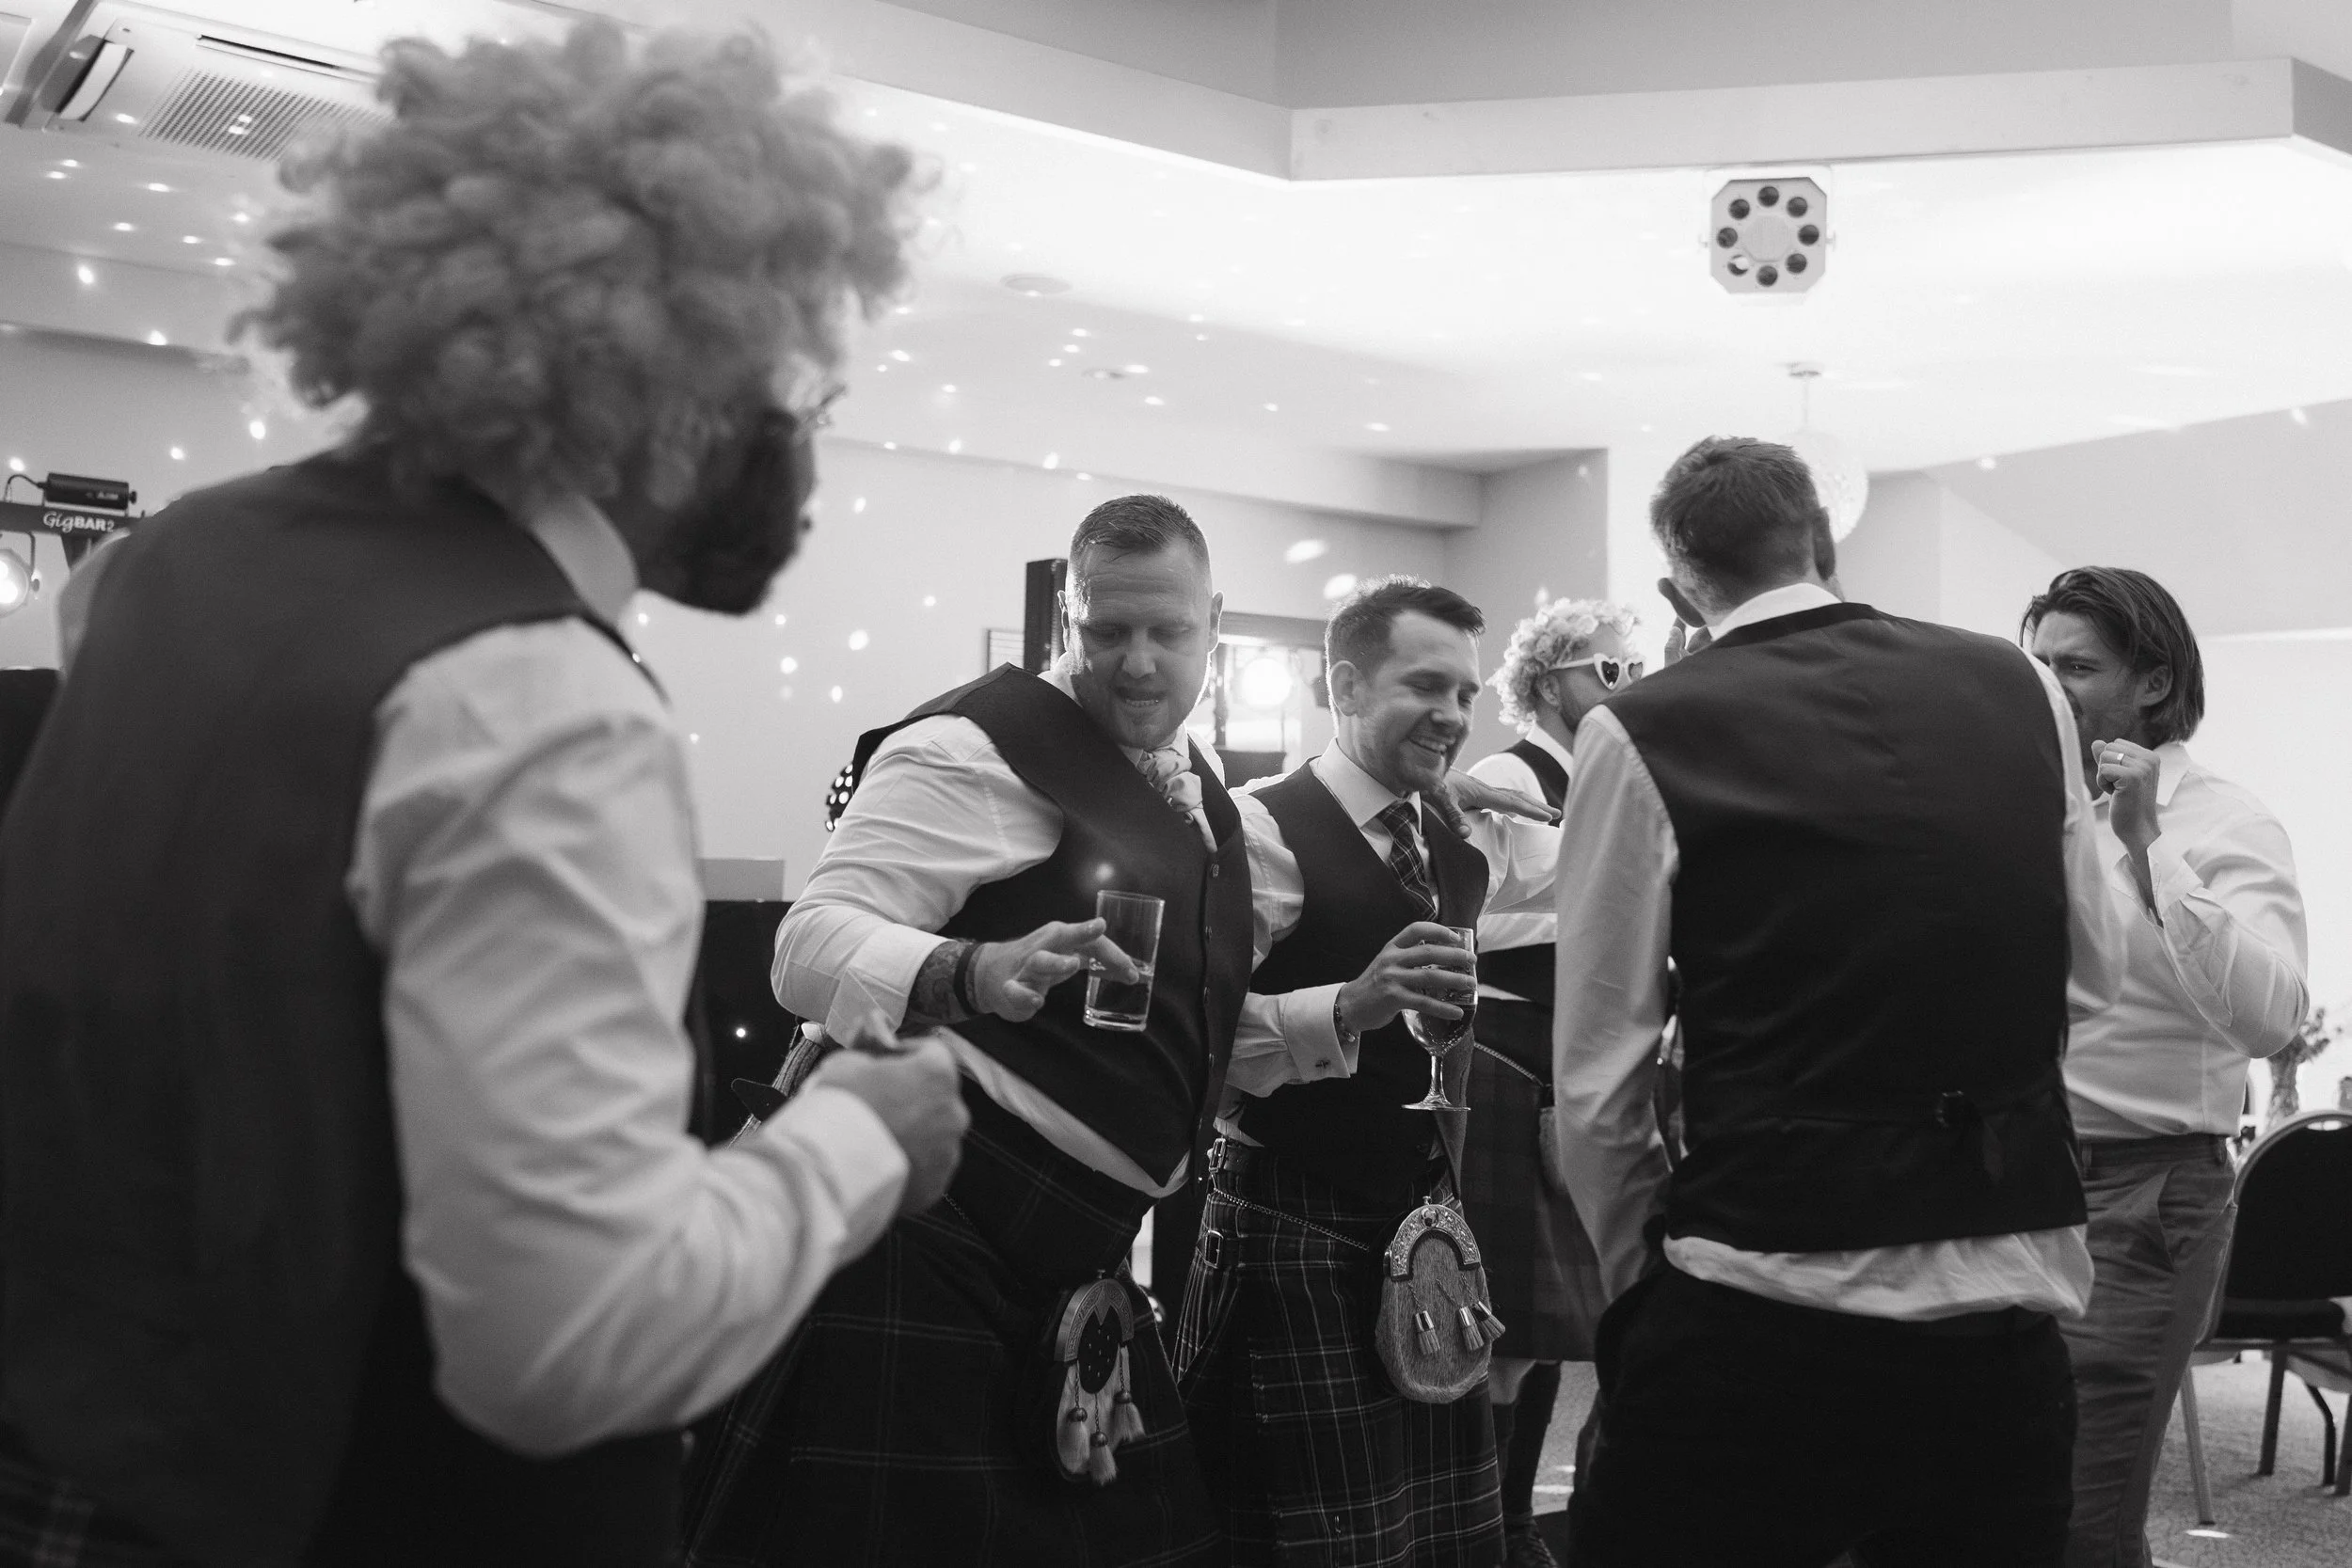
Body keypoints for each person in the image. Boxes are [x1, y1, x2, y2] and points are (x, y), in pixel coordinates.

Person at [0, 23, 965, 1568]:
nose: (802, 440)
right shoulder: (538, 701)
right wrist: (858, 1138)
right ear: (664, 377)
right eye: (787, 376)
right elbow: (568, 1345)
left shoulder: (156, 567)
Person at [685, 495, 1309, 1566]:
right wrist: (970, 970)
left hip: (1074, 1254)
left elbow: (1179, 1030)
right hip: (926, 1229)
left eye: (1167, 630)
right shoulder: (974, 750)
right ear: (1068, 619)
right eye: (1106, 630)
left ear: (1217, 619)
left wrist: (1333, 1015)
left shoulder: (1207, 797)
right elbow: (807, 944)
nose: (1138, 662)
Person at [1551, 436, 2125, 1567]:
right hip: (1998, 1329)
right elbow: (2094, 975)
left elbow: (1596, 1084)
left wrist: (1645, 1289)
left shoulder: (1636, 728)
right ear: (1822, 541)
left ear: (1679, 590)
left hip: (1755, 1312)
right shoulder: (2016, 686)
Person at [1176, 576, 1563, 1568]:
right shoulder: (1258, 832)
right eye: (1425, 686)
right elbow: (1187, 1037)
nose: (1451, 716)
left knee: (1434, 1541)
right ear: (1344, 683)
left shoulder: (1457, 836)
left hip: (1424, 1229)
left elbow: (1593, 862)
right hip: (1288, 1223)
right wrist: (1347, 1004)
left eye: (1467, 696)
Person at [2023, 566, 2309, 1568]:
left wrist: (2150, 848)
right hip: (2007, 1177)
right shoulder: (2027, 807)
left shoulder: (2229, 824)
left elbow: (2273, 1016)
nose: (2048, 683)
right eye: (2039, 661)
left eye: (2076, 665)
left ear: (2151, 684)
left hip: (2144, 1192)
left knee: (2080, 1519)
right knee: (1989, 1493)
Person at [1460, 598, 1636, 1568]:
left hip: (1582, 1055)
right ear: (1551, 676)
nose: (1622, 687)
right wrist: (1604, 887)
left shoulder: (1604, 778)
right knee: (1509, 1327)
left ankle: (1513, 1525)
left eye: (1629, 670)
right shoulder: (1502, 774)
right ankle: (1493, 1528)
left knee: (1550, 1323)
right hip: (1511, 1052)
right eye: (1607, 671)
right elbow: (1466, 915)